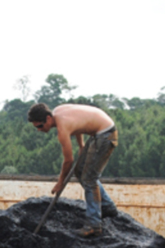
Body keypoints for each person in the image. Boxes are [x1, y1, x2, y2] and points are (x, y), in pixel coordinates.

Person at [27, 102, 120, 237]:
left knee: (89, 178)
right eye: (36, 128)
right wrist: (81, 145)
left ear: (48, 118)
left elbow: (68, 161)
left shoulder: (62, 129)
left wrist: (60, 182)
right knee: (80, 170)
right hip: (100, 131)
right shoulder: (58, 111)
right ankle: (107, 207)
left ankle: (93, 225)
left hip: (105, 134)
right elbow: (78, 123)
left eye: (40, 126)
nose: (39, 130)